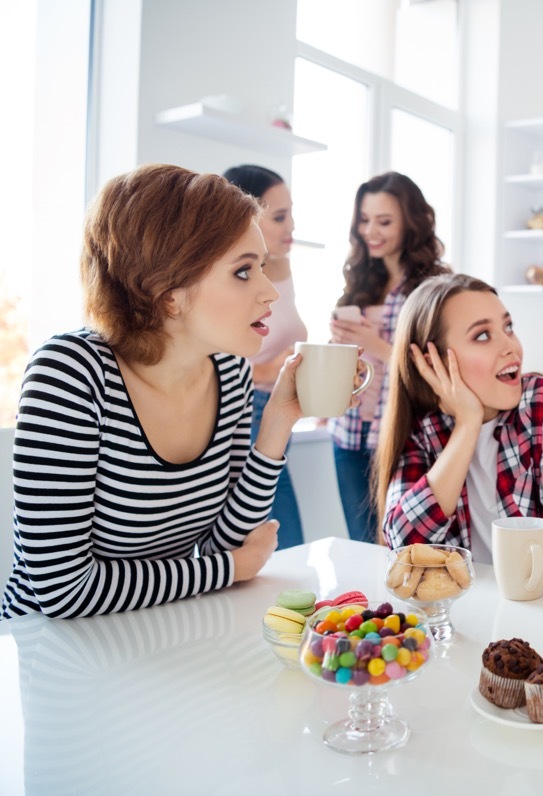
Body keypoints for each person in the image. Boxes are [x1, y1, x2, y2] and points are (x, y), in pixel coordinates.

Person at [2, 163, 305, 618]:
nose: (269, 292)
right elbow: (61, 590)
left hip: (153, 638)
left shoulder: (230, 372)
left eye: (262, 267)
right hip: (44, 652)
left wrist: (279, 420)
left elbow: (229, 542)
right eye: (243, 272)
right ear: (168, 293)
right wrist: (227, 570)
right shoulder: (70, 374)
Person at [375, 274, 543, 587]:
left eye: (508, 327)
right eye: (483, 336)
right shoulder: (424, 429)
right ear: (432, 364)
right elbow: (404, 548)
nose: (510, 346)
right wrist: (467, 425)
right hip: (488, 614)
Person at [329, 172, 450, 543]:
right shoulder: (360, 282)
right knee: (361, 543)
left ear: (411, 223)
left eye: (384, 221)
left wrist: (375, 343)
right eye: (364, 220)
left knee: (400, 545)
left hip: (402, 434)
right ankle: (374, 606)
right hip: (349, 434)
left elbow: (437, 367)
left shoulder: (434, 286)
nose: (371, 231)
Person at [222, 165, 307, 549]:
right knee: (271, 533)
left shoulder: (283, 270)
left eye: (291, 213)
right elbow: (219, 362)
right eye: (279, 216)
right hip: (253, 405)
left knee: (281, 533)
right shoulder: (220, 290)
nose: (291, 226)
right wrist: (273, 369)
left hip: (280, 408)